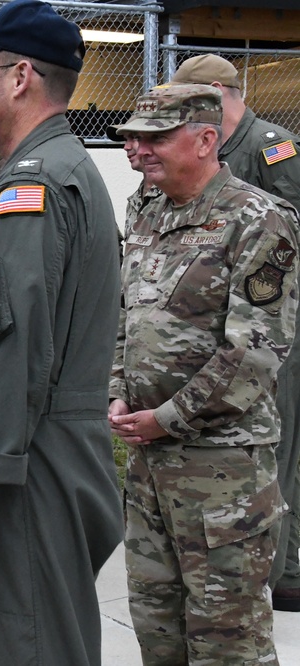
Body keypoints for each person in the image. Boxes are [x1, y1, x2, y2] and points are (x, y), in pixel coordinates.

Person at [0, 2, 124, 663]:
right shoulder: (59, 173)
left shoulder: (33, 187)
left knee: (26, 642)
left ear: (19, 78)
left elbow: (11, 350)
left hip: (28, 468)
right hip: (45, 454)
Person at [109, 83, 299, 664]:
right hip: (149, 462)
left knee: (227, 640)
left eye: (155, 138)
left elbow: (256, 350)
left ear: (205, 139)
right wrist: (118, 391)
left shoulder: (259, 217)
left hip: (224, 469)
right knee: (157, 625)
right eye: (132, 138)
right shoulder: (147, 210)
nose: (137, 149)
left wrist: (168, 418)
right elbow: (126, 316)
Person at [170, 53, 300, 613]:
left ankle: (286, 570)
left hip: (269, 327)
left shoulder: (272, 145)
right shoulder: (208, 142)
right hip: (219, 326)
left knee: (279, 443)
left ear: (222, 93)